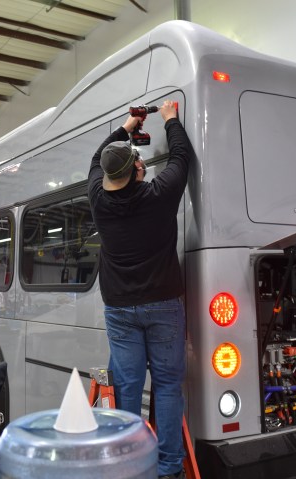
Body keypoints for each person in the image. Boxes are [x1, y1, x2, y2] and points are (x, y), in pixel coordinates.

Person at [87, 100, 193, 479]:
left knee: (127, 388)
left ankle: (129, 466)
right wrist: (170, 119)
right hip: (164, 304)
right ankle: (168, 468)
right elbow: (182, 157)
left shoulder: (98, 199)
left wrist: (127, 126)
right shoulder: (158, 196)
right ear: (137, 169)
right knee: (167, 386)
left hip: (120, 309)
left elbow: (99, 157)